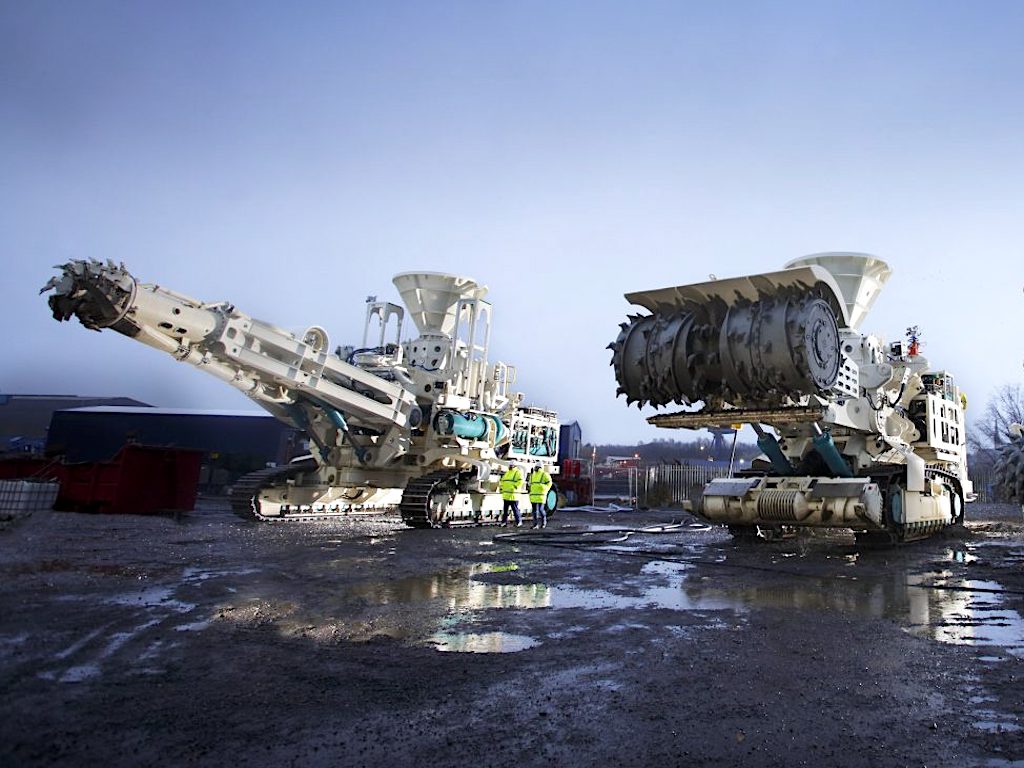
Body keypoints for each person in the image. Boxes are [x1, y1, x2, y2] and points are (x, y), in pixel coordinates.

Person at [528, 463, 553, 529]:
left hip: (541, 495)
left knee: (541, 510)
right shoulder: (533, 475)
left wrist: (544, 489)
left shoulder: (544, 474)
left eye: (536, 467)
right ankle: (535, 524)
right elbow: (530, 483)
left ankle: (543, 523)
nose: (535, 468)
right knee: (534, 511)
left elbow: (549, 483)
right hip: (533, 495)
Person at [499, 462, 524, 526]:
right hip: (506, 495)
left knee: (515, 510)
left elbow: (521, 481)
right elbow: (502, 481)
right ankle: (504, 522)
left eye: (511, 465)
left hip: (513, 495)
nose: (510, 467)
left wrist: (515, 486)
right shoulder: (507, 473)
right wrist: (501, 487)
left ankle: (519, 522)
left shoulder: (518, 472)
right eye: (510, 465)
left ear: (515, 466)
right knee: (505, 511)